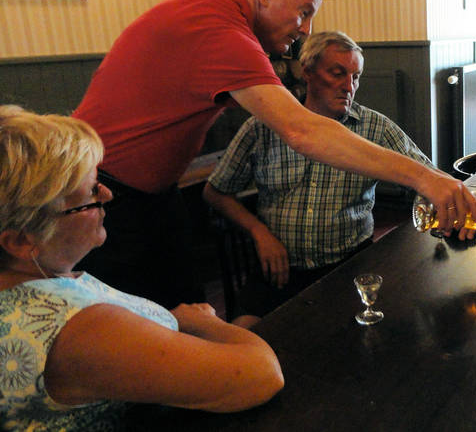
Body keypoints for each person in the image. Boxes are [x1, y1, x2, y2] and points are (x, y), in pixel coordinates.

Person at [72, 0, 476, 308]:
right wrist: (426, 178)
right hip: (104, 197)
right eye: (304, 11)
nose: (306, 29)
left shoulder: (214, 18)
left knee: (183, 315)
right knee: (142, 329)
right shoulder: (223, 31)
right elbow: (305, 131)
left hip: (150, 198)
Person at [0, 106, 284, 431]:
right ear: (22, 241)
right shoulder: (76, 330)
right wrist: (201, 322)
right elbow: (261, 374)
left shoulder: (32, 281)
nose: (107, 195)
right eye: (91, 193)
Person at [204, 31, 470, 327]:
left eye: (356, 77)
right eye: (337, 73)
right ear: (307, 71)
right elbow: (216, 192)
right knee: (244, 345)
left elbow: (429, 176)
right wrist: (259, 232)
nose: (349, 86)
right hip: (277, 270)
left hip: (350, 266)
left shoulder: (374, 128)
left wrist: (451, 203)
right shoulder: (263, 126)